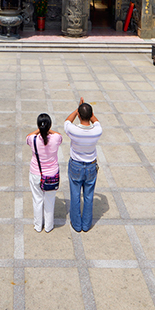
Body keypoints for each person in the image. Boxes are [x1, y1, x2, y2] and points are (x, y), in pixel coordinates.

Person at [64, 98, 102, 232]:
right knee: (89, 196)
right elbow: (95, 121)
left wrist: (77, 109)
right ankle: (86, 225)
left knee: (75, 195)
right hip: (91, 166)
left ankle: (77, 224)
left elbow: (67, 121)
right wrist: (88, 112)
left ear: (79, 115)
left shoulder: (73, 130)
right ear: (91, 115)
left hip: (76, 166)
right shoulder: (97, 131)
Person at [26, 113, 62, 233]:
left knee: (37, 200)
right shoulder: (56, 138)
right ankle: (48, 226)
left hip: (36, 173)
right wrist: (48, 129)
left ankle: (37, 225)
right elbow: (59, 135)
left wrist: (39, 130)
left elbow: (28, 136)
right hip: (52, 175)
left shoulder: (33, 139)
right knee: (50, 201)